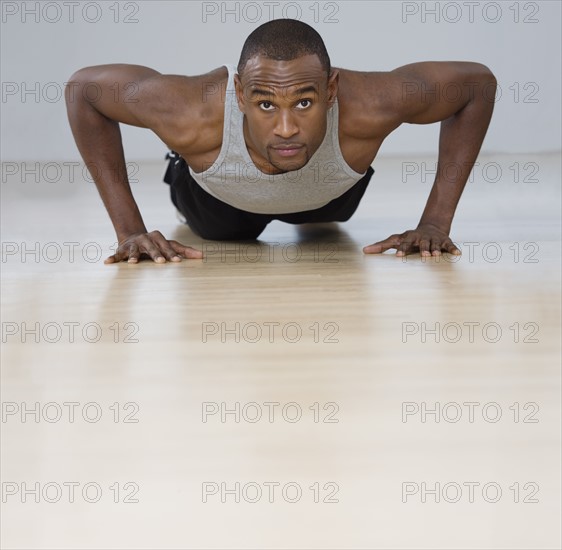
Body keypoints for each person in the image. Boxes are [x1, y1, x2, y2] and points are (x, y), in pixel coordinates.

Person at [65, 18, 496, 264]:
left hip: (329, 201)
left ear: (330, 91)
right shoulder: (192, 112)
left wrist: (436, 223)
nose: (287, 128)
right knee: (229, 232)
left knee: (320, 226)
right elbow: (84, 90)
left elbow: (476, 85)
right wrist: (129, 231)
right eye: (267, 105)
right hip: (219, 207)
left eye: (305, 102)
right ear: (239, 94)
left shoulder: (371, 103)